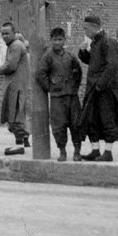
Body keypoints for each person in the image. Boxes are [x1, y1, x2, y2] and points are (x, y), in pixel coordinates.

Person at [35, 27, 83, 161]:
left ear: (64, 40)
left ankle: (77, 151)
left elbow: (78, 72)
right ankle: (62, 151)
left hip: (72, 96)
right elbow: (40, 74)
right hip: (57, 98)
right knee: (58, 125)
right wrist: (50, 87)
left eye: (60, 39)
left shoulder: (71, 56)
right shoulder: (48, 57)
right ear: (51, 41)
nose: (57, 43)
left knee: (76, 124)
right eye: (55, 40)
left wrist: (74, 87)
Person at [77, 16, 118, 162]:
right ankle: (95, 150)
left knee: (107, 119)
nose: (84, 31)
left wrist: (100, 84)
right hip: (94, 89)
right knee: (91, 120)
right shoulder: (96, 43)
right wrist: (83, 52)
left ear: (94, 26)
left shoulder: (108, 42)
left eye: (86, 28)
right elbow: (93, 61)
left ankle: (108, 152)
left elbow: (113, 65)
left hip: (105, 89)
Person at [0, 22, 31, 155]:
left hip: (16, 86)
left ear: (14, 33)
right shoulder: (14, 45)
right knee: (17, 114)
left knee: (14, 114)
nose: (4, 36)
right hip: (16, 85)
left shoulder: (16, 45)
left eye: (7, 33)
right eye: (2, 34)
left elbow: (11, 65)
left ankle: (20, 145)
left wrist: (0, 69)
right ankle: (23, 140)